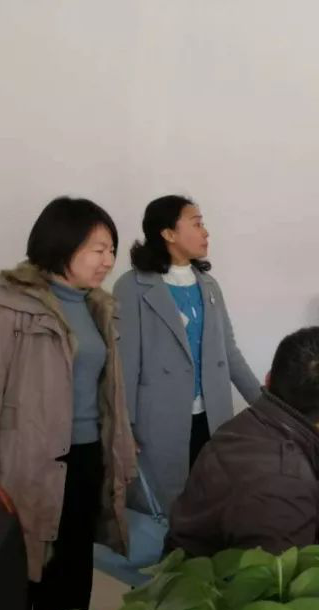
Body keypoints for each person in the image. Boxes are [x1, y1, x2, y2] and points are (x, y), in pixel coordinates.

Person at [0, 197, 136, 610]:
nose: (108, 261)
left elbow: (107, 396)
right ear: (62, 244)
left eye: (111, 250)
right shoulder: (6, 308)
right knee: (17, 588)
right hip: (25, 470)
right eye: (98, 249)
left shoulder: (98, 309)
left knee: (71, 583)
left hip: (86, 462)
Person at [166, 326, 319, 557]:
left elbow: (259, 509)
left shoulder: (243, 426)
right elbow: (277, 576)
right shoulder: (286, 480)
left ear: (268, 379)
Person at [115, 195, 260, 513]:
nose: (205, 232)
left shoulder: (209, 285)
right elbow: (124, 364)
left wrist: (265, 405)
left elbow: (229, 353)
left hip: (212, 417)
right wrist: (123, 428)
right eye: (196, 224)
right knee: (163, 509)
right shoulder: (133, 287)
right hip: (158, 421)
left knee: (209, 502)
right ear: (168, 233)